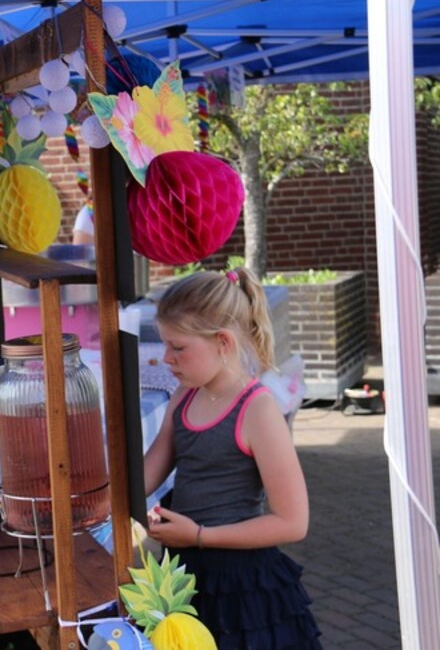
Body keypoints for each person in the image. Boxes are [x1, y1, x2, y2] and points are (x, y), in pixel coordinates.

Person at [143, 268, 322, 649]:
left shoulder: (258, 410)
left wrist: (199, 536)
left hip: (241, 588)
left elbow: (293, 523)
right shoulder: (186, 394)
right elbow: (145, 475)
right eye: (165, 345)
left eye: (178, 347)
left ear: (222, 342)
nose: (166, 358)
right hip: (184, 575)